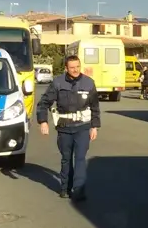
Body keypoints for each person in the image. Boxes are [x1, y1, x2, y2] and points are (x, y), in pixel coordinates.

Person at [36, 55, 101, 201]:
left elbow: (95, 107)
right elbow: (44, 103)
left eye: (77, 66)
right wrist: (43, 122)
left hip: (83, 128)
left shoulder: (89, 83)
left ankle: (78, 190)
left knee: (80, 159)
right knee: (66, 159)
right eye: (72, 67)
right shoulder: (58, 83)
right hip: (64, 128)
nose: (76, 70)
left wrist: (94, 127)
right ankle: (65, 187)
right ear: (66, 68)